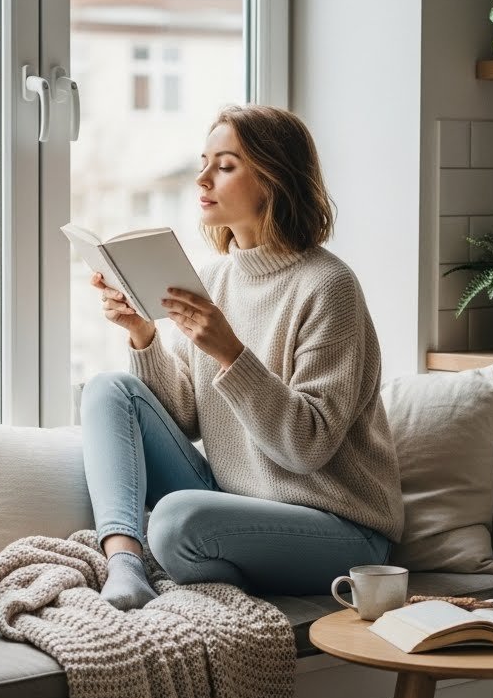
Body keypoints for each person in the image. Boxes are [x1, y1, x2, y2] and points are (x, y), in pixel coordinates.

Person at [80, 104, 403, 612]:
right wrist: (143, 336)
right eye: (203, 163)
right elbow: (187, 416)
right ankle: (124, 563)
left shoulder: (328, 287)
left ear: (274, 180)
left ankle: (201, 565)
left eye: (225, 166)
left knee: (177, 521)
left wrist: (230, 351)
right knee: (107, 389)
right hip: (240, 507)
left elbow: (306, 448)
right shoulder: (214, 279)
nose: (203, 178)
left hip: (342, 532)